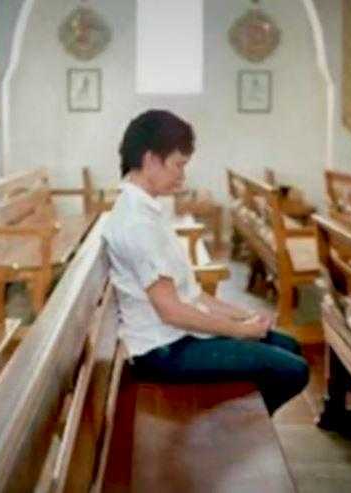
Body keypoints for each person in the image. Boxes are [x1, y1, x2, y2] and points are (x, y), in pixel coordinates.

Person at [102, 109, 309, 414]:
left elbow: (192, 295)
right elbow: (170, 310)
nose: (182, 176)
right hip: (163, 350)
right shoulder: (136, 224)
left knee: (288, 346)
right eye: (178, 165)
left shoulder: (148, 211)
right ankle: (235, 425)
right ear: (150, 161)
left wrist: (242, 315)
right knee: (293, 370)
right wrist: (238, 331)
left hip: (177, 336)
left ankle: (239, 419)